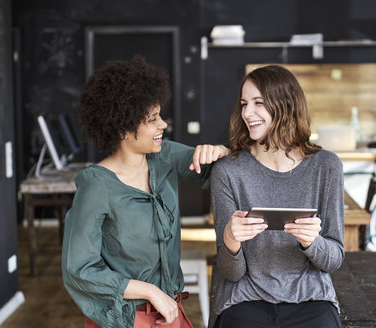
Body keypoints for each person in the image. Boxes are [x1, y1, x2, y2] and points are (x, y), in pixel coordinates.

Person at [61, 55, 229, 328]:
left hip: (171, 311)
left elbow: (220, 176)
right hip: (125, 318)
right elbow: (80, 269)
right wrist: (149, 291)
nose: (163, 124)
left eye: (159, 115)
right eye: (152, 119)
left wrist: (223, 152)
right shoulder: (96, 185)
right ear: (123, 127)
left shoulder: (165, 156)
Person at [210, 65, 344, 328]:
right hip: (244, 300)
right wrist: (230, 239)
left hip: (311, 300)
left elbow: (334, 258)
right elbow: (231, 273)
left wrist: (312, 242)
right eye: (244, 104)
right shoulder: (228, 171)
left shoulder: (326, 166)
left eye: (258, 103)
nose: (247, 113)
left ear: (286, 105)